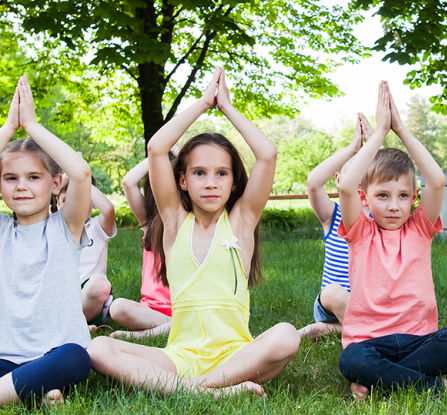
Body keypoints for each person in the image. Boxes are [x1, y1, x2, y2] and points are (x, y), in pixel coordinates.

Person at [87, 67, 300, 397]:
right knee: (99, 349)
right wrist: (202, 103)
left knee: (287, 334)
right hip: (180, 357)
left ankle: (193, 389)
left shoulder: (242, 222)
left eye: (221, 173)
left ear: (233, 182)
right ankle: (204, 389)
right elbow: (158, 148)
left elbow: (267, 155)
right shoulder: (173, 222)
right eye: (199, 173)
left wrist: (227, 107)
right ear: (182, 181)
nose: (211, 182)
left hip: (236, 356)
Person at [337, 81, 447, 400]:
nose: (393, 205)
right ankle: (436, 386)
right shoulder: (361, 232)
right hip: (369, 342)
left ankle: (381, 381)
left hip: (420, 339)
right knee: (352, 359)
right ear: (365, 198)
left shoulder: (419, 227)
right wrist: (378, 135)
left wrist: (400, 129)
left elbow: (438, 180)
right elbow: (346, 186)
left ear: (414, 197)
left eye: (403, 196)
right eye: (383, 195)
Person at [0, 76, 92, 406]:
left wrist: (32, 126)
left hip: (55, 354)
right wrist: (10, 127)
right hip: (5, 358)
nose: (21, 186)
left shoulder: (65, 227)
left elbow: (80, 174)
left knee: (76, 359)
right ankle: (35, 391)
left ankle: (27, 387)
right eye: (11, 178)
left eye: (33, 177)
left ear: (55, 184)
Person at [298, 114, 373, 339]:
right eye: (353, 171)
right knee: (333, 293)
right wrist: (353, 149)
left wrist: (376, 147)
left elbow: (393, 178)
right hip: (332, 306)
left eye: (365, 171)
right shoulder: (333, 215)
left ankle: (330, 330)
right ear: (339, 180)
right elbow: (313, 182)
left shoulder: (382, 219)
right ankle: (372, 334)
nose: (358, 176)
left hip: (370, 307)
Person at [108, 151, 176, 339]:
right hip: (148, 310)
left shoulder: (192, 224)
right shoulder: (149, 224)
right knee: (118, 307)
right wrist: (160, 152)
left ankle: (145, 335)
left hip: (182, 308)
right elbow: (128, 182)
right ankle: (172, 328)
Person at [58, 174, 116, 330]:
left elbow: (109, 209)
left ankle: (72, 325)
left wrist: (82, 177)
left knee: (99, 283)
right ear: (57, 204)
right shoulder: (52, 228)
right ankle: (78, 326)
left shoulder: (96, 228)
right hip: (62, 297)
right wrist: (69, 174)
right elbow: (42, 195)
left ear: (94, 204)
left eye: (80, 198)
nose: (73, 206)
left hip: (91, 297)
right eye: (65, 201)